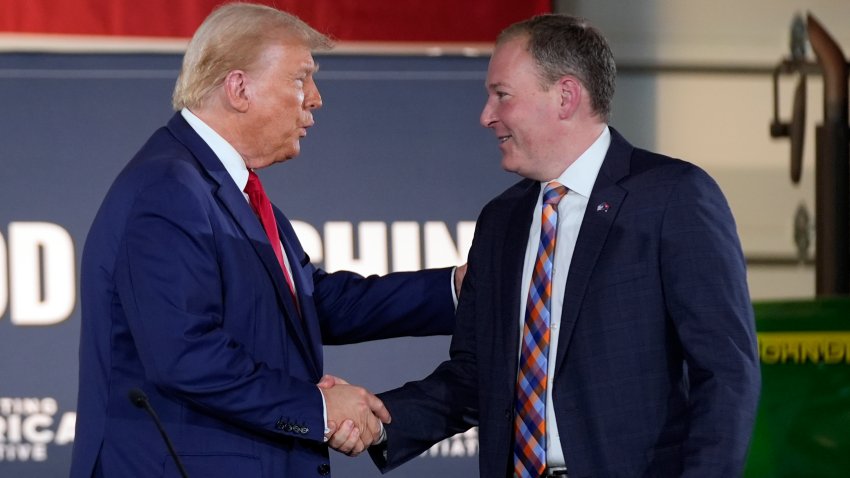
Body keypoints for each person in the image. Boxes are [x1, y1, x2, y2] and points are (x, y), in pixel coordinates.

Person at [331, 13, 761, 477]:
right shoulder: (502, 221)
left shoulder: (671, 195)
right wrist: (380, 423)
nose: (486, 115)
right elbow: (475, 377)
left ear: (565, 96)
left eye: (502, 95)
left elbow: (725, 372)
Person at [70, 3, 463, 477]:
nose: (315, 98)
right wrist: (318, 409)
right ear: (239, 88)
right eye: (301, 79)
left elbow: (312, 304)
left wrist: (457, 289)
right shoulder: (168, 190)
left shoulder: (224, 188)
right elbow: (185, 355)